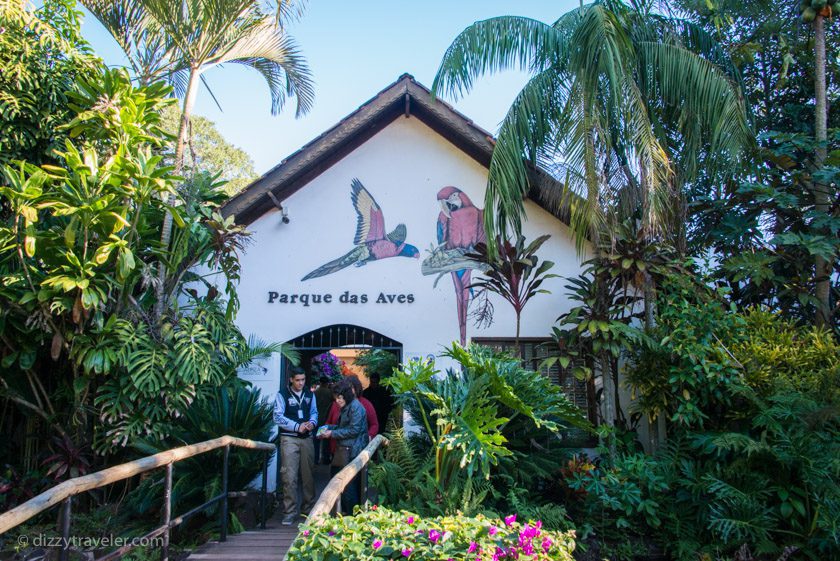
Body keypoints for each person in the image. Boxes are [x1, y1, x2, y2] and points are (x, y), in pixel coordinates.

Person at [273, 366, 317, 525]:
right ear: (291, 379)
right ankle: (289, 512)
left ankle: (308, 510)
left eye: (303, 380)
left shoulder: (310, 394)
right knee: (289, 476)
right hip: (289, 439)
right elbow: (278, 417)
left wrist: (311, 423)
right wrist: (296, 426)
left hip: (307, 438)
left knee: (308, 475)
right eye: (297, 380)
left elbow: (314, 412)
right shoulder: (282, 395)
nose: (300, 383)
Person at [319, 378, 368, 513]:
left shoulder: (355, 407)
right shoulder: (348, 406)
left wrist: (331, 434)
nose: (337, 401)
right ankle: (345, 513)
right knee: (342, 484)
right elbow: (344, 427)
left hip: (352, 451)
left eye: (340, 398)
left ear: (346, 395)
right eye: (336, 398)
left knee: (349, 486)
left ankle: (352, 516)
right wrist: (328, 428)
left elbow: (353, 430)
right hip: (346, 450)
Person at [325, 375, 378, 443]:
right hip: (336, 446)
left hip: (355, 446)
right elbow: (329, 422)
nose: (348, 390)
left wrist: (369, 437)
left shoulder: (365, 404)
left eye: (351, 387)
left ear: (357, 388)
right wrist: (326, 429)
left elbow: (374, 424)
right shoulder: (337, 403)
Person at [314, 375, 334, 464]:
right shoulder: (330, 393)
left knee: (316, 440)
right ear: (327, 383)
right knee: (325, 440)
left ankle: (315, 459)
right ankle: (325, 459)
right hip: (326, 420)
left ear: (320, 382)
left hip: (317, 419)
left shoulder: (315, 392)